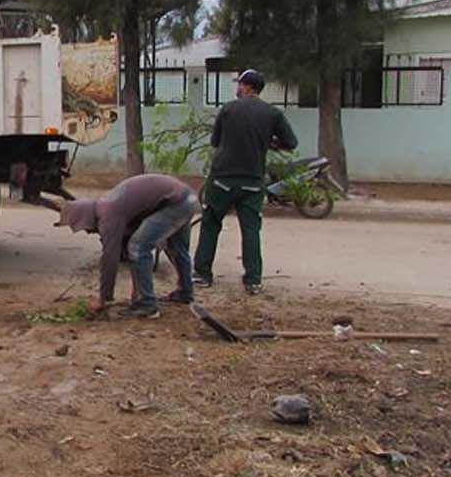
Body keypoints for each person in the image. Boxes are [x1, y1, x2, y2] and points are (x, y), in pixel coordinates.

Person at [193, 69, 298, 295]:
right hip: (252, 182)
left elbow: (215, 141)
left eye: (239, 84)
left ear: (248, 87)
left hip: (222, 179)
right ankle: (253, 281)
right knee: (251, 230)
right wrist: (269, 143)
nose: (237, 87)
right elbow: (291, 143)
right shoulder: (272, 113)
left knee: (210, 225)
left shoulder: (229, 109)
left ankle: (202, 274)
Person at [53, 174, 200, 318]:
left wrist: (104, 299)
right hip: (186, 198)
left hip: (175, 203)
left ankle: (147, 305)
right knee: (176, 248)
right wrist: (135, 289)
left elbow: (110, 259)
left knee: (138, 247)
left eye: (83, 227)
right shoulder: (107, 205)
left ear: (85, 217)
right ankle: (185, 293)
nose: (86, 231)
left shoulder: (108, 215)